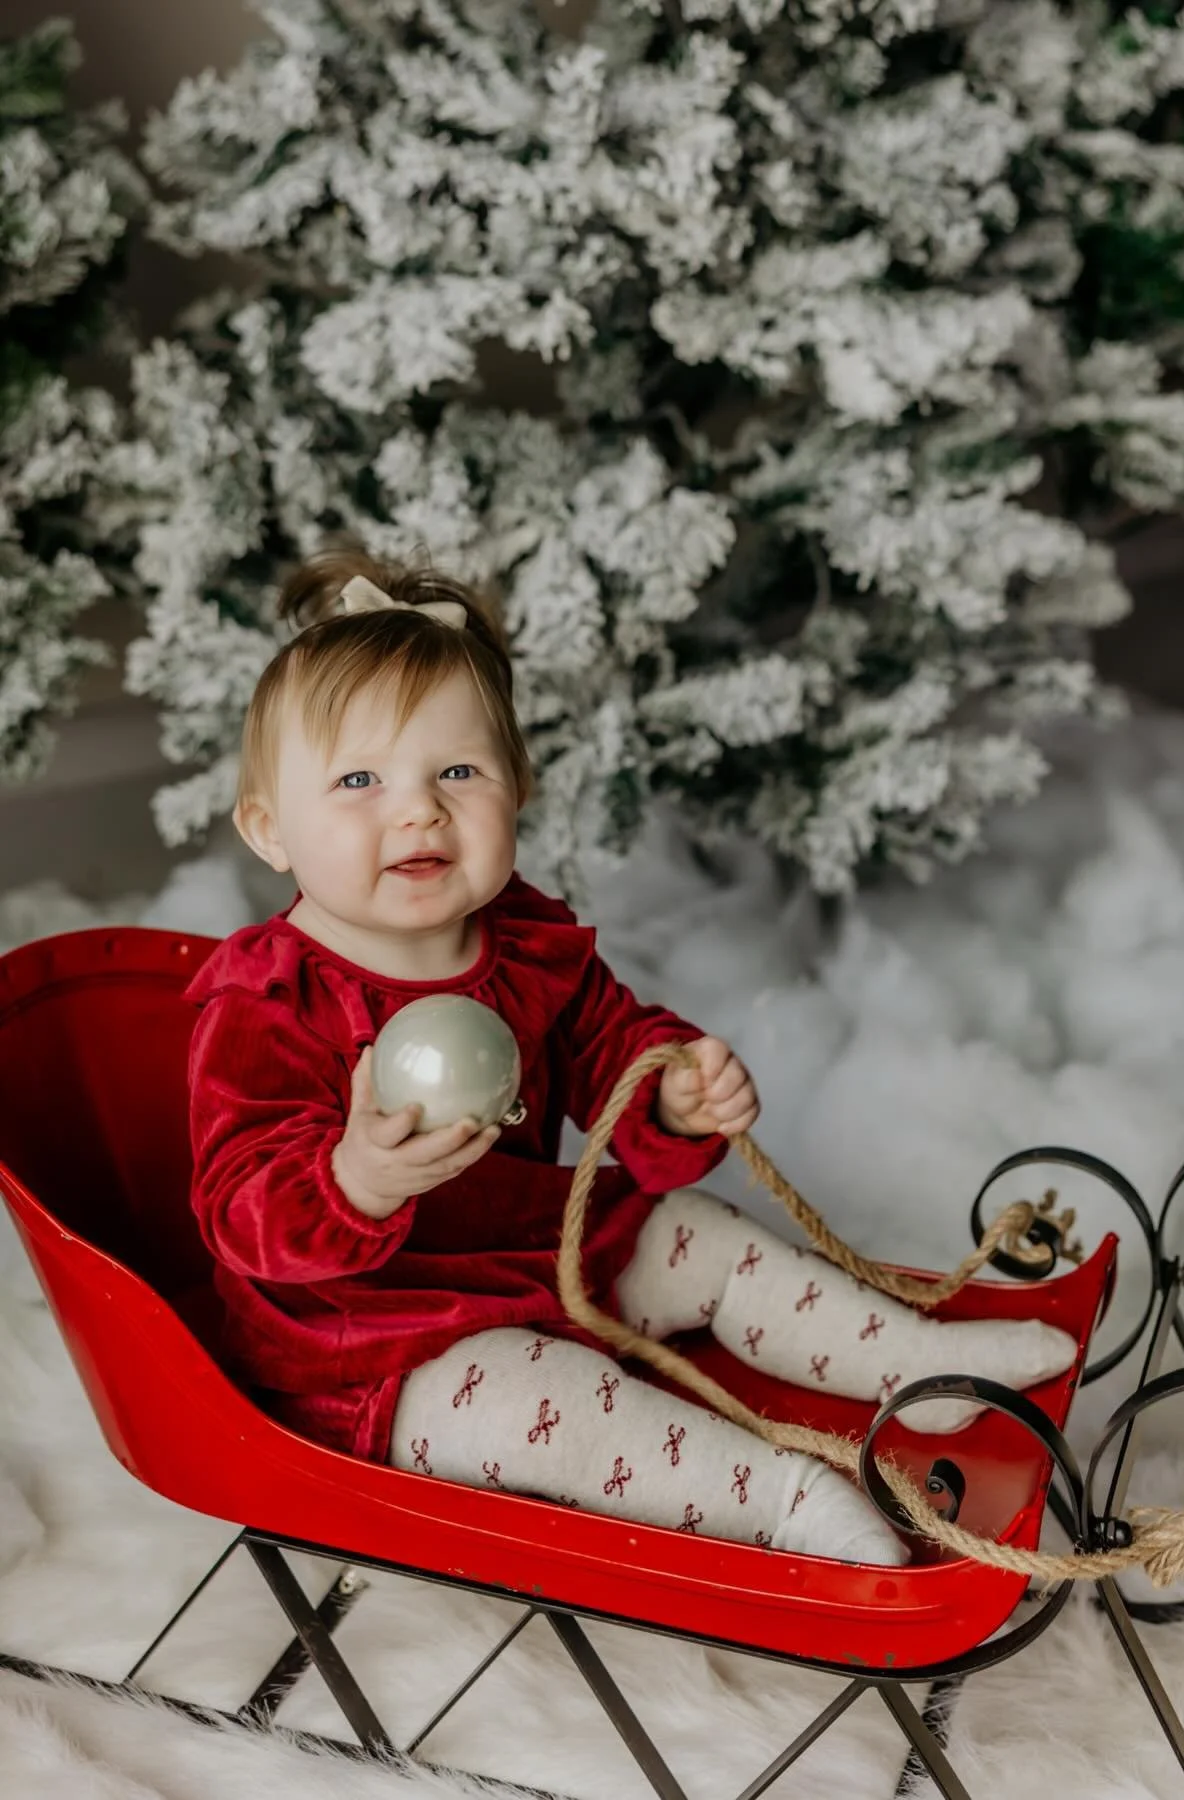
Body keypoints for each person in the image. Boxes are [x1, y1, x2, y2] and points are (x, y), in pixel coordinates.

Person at [187, 547, 1076, 1566]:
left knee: (693, 1231)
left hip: (534, 1253)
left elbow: (610, 1040)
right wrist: (354, 1178)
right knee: (549, 1401)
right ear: (269, 831)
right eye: (358, 780)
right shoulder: (269, 1001)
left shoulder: (518, 940)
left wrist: (670, 1090)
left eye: (459, 772)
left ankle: (913, 1365)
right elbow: (237, 1204)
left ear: (517, 788)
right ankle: (780, 1499)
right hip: (370, 1349)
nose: (418, 809)